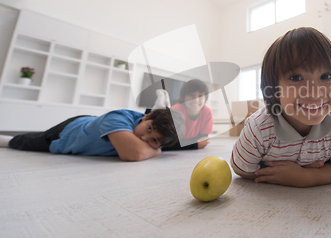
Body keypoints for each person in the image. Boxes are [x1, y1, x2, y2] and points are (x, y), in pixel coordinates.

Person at [230, 27, 331, 187]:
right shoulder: (259, 127)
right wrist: (280, 175)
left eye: (327, 76)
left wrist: (306, 177)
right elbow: (241, 168)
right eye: (296, 77)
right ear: (274, 88)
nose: (315, 93)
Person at [0, 108, 184, 162]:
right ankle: (5, 139)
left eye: (154, 140)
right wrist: (156, 151)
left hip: (91, 126)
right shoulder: (118, 117)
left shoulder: (148, 134)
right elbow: (134, 154)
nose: (144, 138)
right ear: (147, 116)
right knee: (26, 141)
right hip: (66, 133)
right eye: (149, 129)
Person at [166, 79, 213, 150]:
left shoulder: (207, 112)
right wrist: (195, 144)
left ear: (205, 98)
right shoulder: (175, 111)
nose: (196, 100)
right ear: (183, 97)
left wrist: (191, 143)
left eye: (200, 95)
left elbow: (203, 140)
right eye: (191, 95)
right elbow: (168, 143)